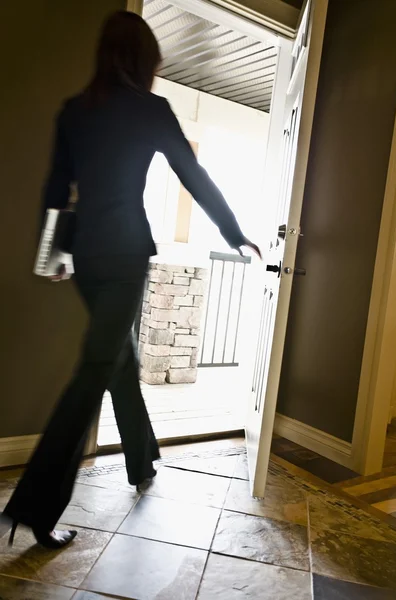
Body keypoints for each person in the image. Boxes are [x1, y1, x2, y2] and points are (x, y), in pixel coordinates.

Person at [1, 10, 260, 550]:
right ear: (144, 61)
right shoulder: (152, 110)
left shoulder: (74, 111)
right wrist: (234, 232)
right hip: (125, 256)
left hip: (86, 260)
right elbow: (195, 176)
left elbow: (55, 190)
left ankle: (141, 460)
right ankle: (34, 508)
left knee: (118, 355)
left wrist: (50, 257)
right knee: (95, 368)